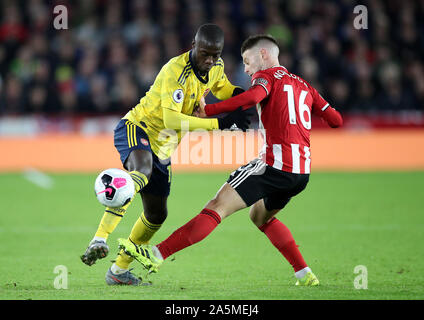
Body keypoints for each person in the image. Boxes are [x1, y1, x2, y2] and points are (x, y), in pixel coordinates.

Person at [118, 34, 343, 286]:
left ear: (263, 55)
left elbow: (252, 97)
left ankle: (156, 254)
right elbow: (336, 120)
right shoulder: (304, 85)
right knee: (261, 217)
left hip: (273, 166)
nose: (246, 69)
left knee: (216, 206)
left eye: (247, 62)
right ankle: (304, 273)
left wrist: (210, 110)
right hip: (301, 173)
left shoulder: (265, 77)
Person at [80, 23, 251, 286]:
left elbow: (225, 89)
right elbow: (172, 118)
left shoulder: (215, 68)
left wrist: (249, 99)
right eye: (205, 53)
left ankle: (118, 271)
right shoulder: (175, 71)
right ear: (193, 46)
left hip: (163, 149)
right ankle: (99, 238)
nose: (209, 60)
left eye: (215, 55)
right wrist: (219, 124)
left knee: (156, 215)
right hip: (137, 128)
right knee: (141, 171)